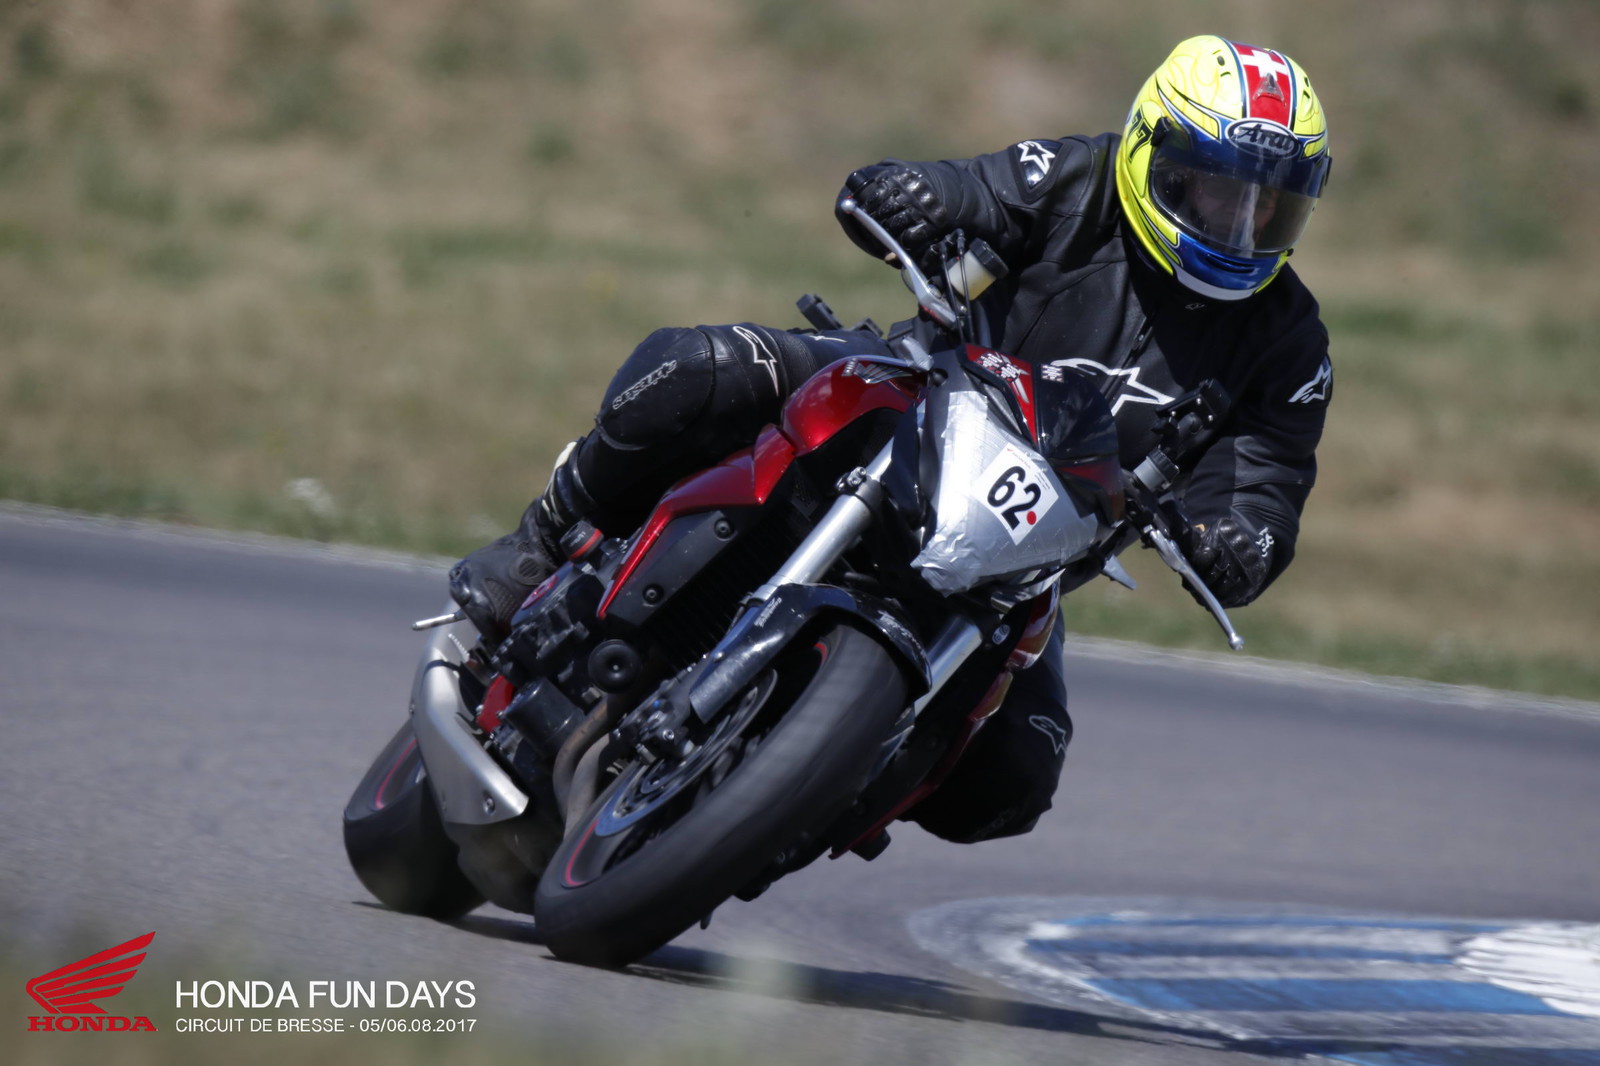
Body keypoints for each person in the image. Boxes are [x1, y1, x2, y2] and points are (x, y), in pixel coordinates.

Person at [448, 35, 1333, 844]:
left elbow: (1267, 475)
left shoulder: (1288, 338)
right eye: (1219, 189)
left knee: (1015, 779)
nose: (1241, 225)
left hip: (1028, 555)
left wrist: (1241, 542)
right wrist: (911, 196)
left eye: (1270, 206)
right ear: (1151, 153)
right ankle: (539, 539)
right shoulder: (1080, 180)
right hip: (916, 397)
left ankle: (795, 808)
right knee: (705, 368)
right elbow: (973, 190)